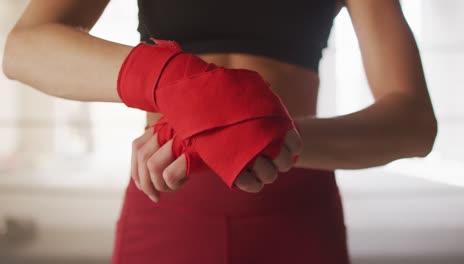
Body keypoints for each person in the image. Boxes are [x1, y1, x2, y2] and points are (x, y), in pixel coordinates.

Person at [2, 0, 437, 263]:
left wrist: (255, 134)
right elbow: (25, 47)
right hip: (166, 214)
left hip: (297, 223)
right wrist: (175, 83)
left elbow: (414, 122)